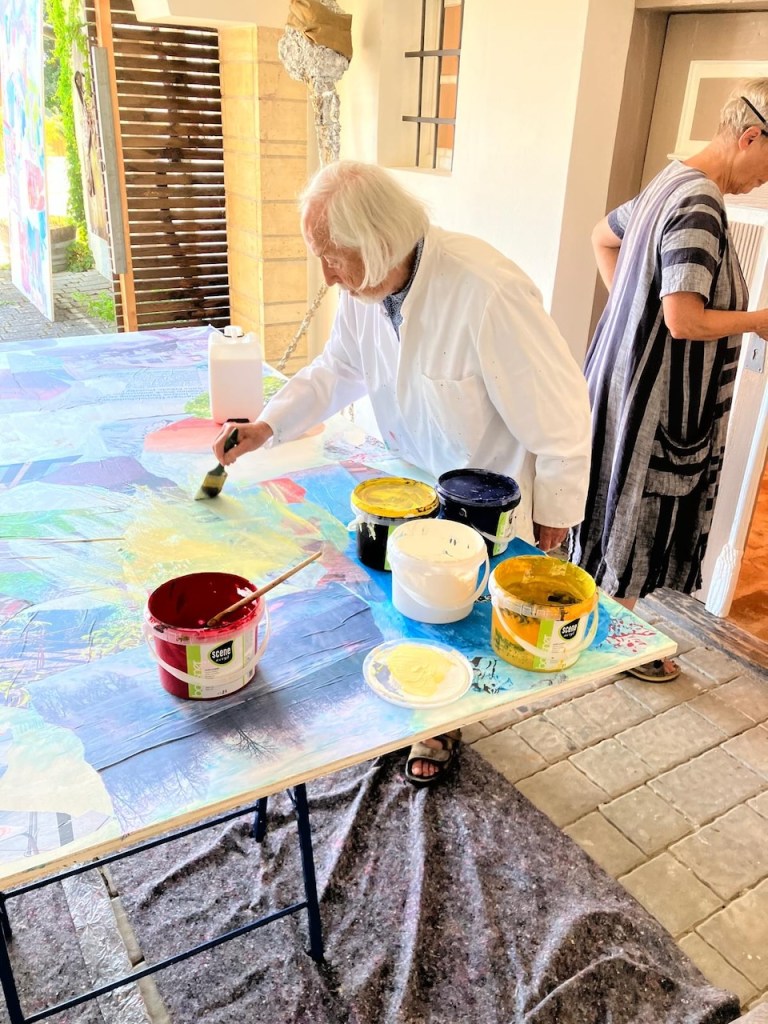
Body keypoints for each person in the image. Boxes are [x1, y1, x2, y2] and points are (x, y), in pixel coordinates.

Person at [213, 159, 592, 785]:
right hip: (409, 477)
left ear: (381, 242)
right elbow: (337, 370)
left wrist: (557, 511)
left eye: (334, 258)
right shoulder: (365, 292)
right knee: (407, 600)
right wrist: (267, 426)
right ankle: (420, 702)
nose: (327, 276)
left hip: (485, 495)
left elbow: (561, 414)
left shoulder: (487, 290)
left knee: (461, 614)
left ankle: (443, 723)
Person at [569, 78, 768, 683]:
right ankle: (617, 643)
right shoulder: (701, 203)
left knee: (612, 505)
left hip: (621, 381)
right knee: (640, 512)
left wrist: (633, 313)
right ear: (752, 137)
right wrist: (759, 320)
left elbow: (602, 236)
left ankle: (598, 626)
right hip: (655, 401)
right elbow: (685, 321)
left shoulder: (670, 181)